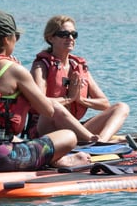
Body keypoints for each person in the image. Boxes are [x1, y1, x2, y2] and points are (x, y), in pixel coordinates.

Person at [0, 10, 96, 171]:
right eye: (16, 37)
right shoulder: (14, 69)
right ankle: (59, 160)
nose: (16, 41)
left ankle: (54, 160)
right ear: (7, 39)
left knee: (16, 140)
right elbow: (47, 110)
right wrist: (69, 98)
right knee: (68, 136)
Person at [29, 14, 131, 143]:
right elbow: (38, 102)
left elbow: (104, 104)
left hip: (75, 129)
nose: (70, 38)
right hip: (47, 130)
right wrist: (68, 99)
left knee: (121, 107)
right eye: (64, 34)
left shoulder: (78, 67)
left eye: (73, 34)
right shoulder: (41, 65)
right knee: (54, 105)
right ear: (50, 38)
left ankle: (101, 142)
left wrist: (80, 99)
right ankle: (90, 139)